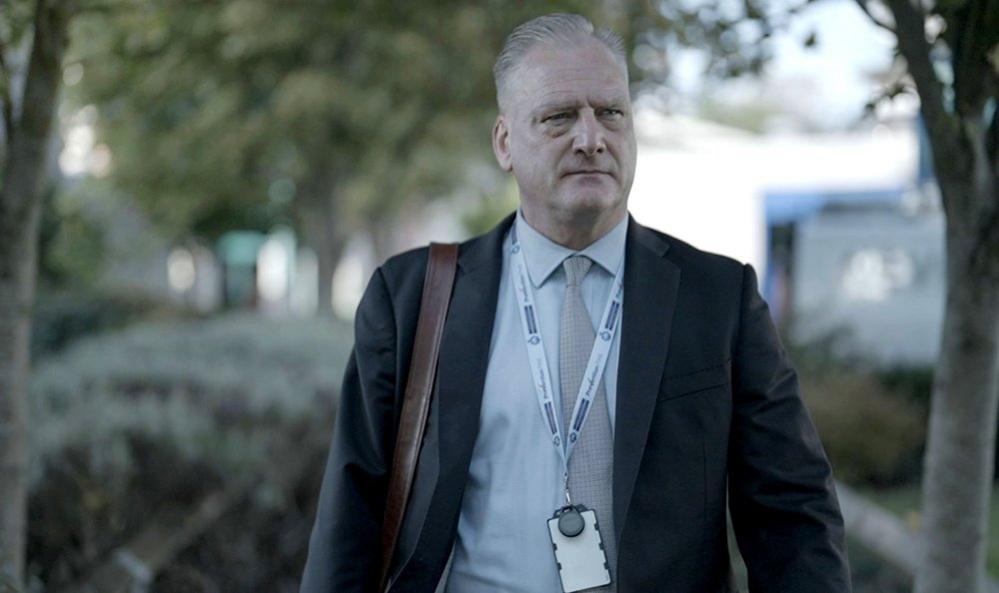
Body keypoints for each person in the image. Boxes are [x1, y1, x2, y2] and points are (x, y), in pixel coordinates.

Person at [299, 13, 850, 593]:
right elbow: (350, 516)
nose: (591, 139)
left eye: (611, 113)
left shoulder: (716, 298)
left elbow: (791, 513)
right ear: (505, 142)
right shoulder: (414, 297)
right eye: (559, 117)